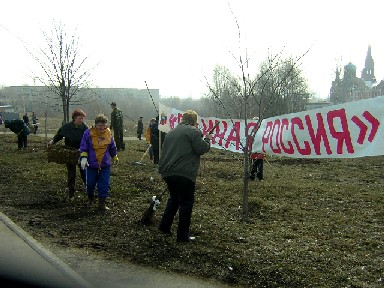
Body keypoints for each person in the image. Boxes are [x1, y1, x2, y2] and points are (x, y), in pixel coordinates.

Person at [158, 110, 212, 242]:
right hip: (184, 173)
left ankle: (164, 226)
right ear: (193, 120)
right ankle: (182, 235)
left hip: (167, 171)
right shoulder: (193, 131)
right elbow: (201, 149)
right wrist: (207, 140)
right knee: (186, 202)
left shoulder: (171, 132)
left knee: (174, 198)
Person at [79, 114, 118, 211]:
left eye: (103, 125)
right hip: (91, 164)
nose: (102, 127)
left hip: (105, 164)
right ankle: (90, 199)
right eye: (100, 125)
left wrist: (114, 156)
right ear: (95, 124)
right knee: (90, 183)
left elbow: (112, 146)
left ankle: (102, 204)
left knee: (104, 183)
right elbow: (84, 146)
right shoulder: (88, 133)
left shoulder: (108, 133)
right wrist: (83, 157)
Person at [47, 109, 88, 198]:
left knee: (84, 171)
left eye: (82, 118)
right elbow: (59, 135)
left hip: (81, 153)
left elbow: (89, 141)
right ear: (74, 118)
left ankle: (88, 188)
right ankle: (71, 191)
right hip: (69, 153)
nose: (81, 120)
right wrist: (52, 141)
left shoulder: (85, 129)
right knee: (71, 172)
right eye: (79, 118)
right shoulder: (67, 127)